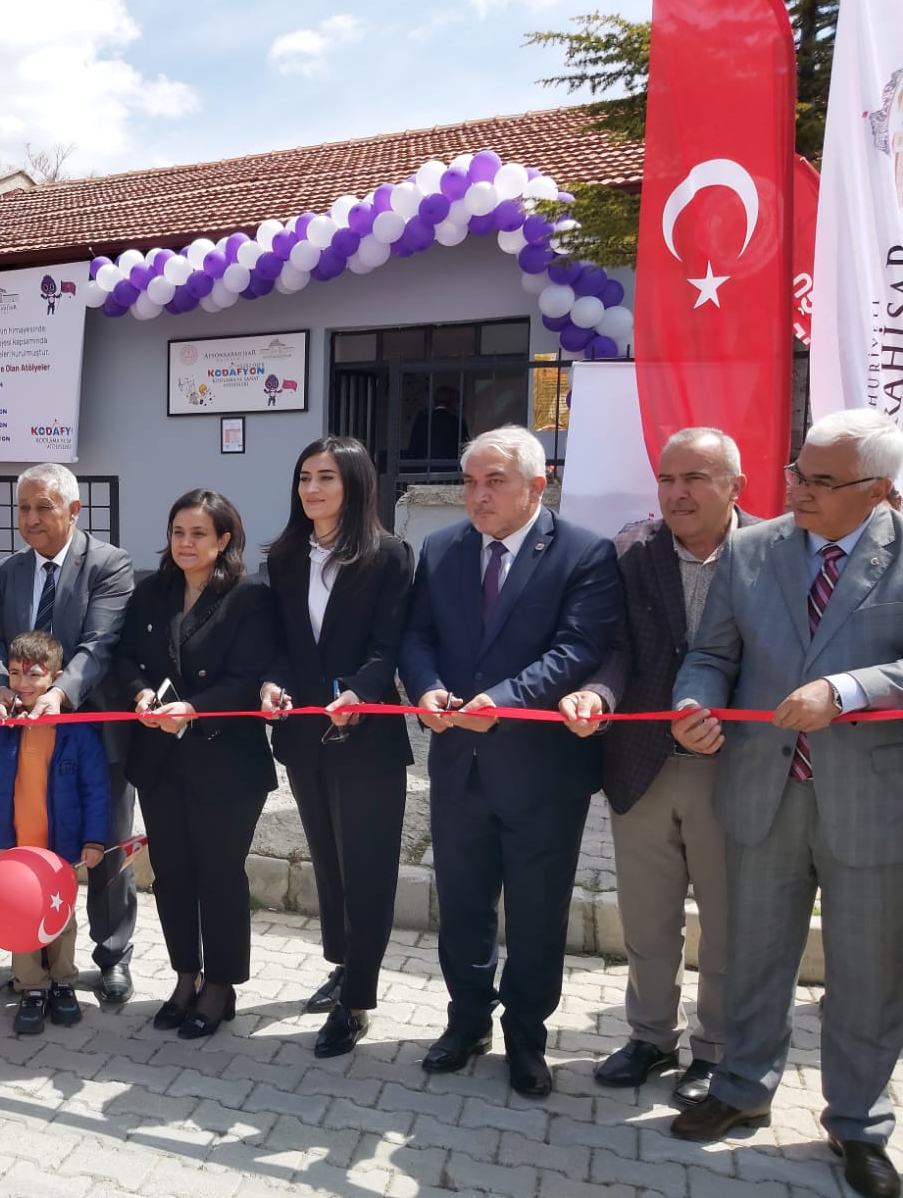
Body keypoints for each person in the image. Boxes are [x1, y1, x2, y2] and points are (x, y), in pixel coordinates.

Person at [668, 410, 903, 1198]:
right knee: (754, 954)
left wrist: (847, 689)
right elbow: (711, 654)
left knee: (868, 971)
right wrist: (694, 705)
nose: (798, 489)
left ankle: (859, 1125)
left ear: (878, 490)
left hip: (870, 800)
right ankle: (741, 1088)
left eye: (821, 481)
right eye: (798, 472)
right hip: (761, 789)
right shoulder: (751, 549)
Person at [399, 425, 621, 1098]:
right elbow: (417, 635)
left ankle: (527, 1035)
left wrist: (502, 700)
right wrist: (425, 688)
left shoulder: (583, 552)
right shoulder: (442, 549)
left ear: (537, 485)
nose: (478, 495)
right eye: (470, 481)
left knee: (536, 914)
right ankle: (467, 1021)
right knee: (463, 905)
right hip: (459, 765)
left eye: (494, 481)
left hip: (541, 774)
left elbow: (578, 648)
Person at [558, 428, 751, 1106]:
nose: (677, 493)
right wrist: (597, 694)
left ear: (735, 486)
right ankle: (649, 1036)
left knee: (727, 924)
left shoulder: (770, 553)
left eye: (695, 478)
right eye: (667, 479)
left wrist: (727, 721)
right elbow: (615, 648)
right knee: (646, 919)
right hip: (642, 764)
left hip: (731, 769)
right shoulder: (631, 551)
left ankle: (716, 1049)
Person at [259, 436, 414, 1058]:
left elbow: (389, 645)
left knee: (367, 869)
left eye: (326, 477)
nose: (312, 489)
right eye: (304, 477)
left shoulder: (388, 555)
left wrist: (360, 692)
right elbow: (279, 640)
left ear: (355, 484)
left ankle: (358, 1001)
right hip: (305, 736)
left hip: (367, 739)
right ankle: (343, 964)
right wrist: (272, 681)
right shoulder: (286, 556)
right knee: (328, 860)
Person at [112, 489, 279, 1040]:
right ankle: (186, 976)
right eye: (178, 532)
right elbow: (125, 658)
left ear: (223, 540)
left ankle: (221, 985)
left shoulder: (249, 597)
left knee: (219, 874)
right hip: (161, 760)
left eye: (198, 534)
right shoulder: (151, 590)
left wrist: (192, 710)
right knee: (172, 874)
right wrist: (140, 694)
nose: (185, 543)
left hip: (225, 760)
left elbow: (246, 677)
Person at [0, 463, 138, 1004]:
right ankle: (37, 957)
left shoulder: (109, 565)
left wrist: (60, 694)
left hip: (90, 736)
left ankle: (112, 954)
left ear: (74, 510)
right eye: (23, 508)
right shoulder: (9, 572)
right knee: (32, 848)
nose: (30, 519)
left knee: (102, 848)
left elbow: (98, 644)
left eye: (43, 507)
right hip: (23, 742)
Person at [0, 630, 110, 1037]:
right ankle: (31, 986)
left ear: (55, 679)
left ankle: (62, 981)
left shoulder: (78, 731)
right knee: (20, 918)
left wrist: (94, 840)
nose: (22, 683)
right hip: (12, 847)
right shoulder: (2, 724)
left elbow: (96, 789)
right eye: (14, 673)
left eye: (33, 674)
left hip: (60, 849)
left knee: (62, 917)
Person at [407, 386, 470, 473]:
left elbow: (413, 449)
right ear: (451, 403)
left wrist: (411, 473)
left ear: (434, 401)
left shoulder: (422, 421)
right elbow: (465, 450)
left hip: (425, 473)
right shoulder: (458, 422)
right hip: (450, 474)